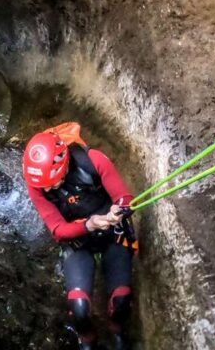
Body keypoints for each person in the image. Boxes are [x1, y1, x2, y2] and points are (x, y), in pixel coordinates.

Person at [23, 127, 136, 350]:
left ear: (63, 166)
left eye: (50, 183)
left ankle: (117, 330)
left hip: (113, 233)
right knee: (79, 308)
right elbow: (57, 229)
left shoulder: (92, 160)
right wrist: (89, 224)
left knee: (121, 300)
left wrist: (119, 211)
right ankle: (87, 339)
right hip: (78, 242)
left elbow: (125, 199)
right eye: (41, 185)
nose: (45, 188)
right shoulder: (37, 186)